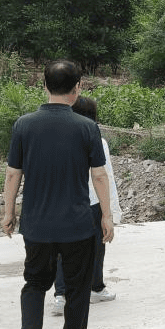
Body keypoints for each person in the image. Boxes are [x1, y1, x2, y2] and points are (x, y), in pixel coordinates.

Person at [2, 61, 114, 329]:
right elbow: (99, 176)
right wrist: (106, 216)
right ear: (78, 88)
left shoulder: (24, 125)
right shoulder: (87, 127)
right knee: (77, 289)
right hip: (77, 226)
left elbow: (13, 174)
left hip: (36, 225)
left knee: (35, 284)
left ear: (45, 86)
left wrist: (9, 213)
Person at [51, 95, 120, 316]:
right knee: (96, 247)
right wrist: (108, 212)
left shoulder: (56, 138)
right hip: (92, 201)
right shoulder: (98, 141)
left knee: (62, 249)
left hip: (63, 201)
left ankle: (61, 295)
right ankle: (95, 287)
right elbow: (104, 175)